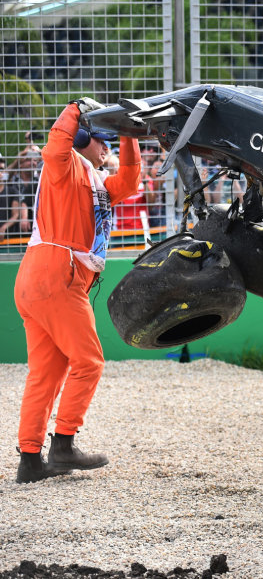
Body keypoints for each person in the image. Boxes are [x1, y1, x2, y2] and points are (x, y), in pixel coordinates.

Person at [13, 97, 142, 483]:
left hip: (39, 277)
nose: (106, 148)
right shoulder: (66, 165)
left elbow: (131, 180)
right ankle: (64, 443)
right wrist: (74, 109)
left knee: (45, 374)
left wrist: (129, 135)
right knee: (89, 362)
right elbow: (55, 145)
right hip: (57, 273)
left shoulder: (96, 182)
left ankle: (31, 461)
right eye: (101, 140)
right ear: (84, 139)